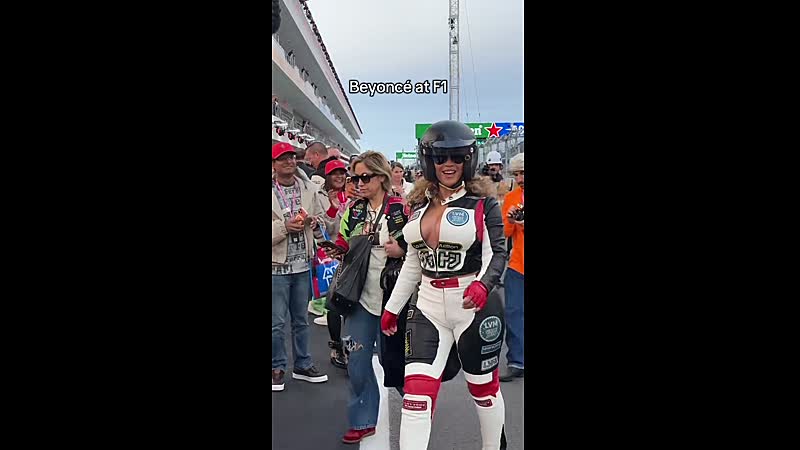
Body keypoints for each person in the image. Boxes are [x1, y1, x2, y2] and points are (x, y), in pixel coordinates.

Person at [381, 120, 508, 450]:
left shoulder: (484, 204)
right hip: (427, 306)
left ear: (469, 159)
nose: (448, 164)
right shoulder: (417, 206)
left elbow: (497, 253)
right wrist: (393, 308)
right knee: (416, 397)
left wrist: (483, 285)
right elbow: (413, 262)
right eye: (440, 157)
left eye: (457, 157)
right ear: (429, 161)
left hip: (473, 307)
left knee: (483, 390)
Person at [328, 151, 409, 444]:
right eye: (355, 178)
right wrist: (338, 249)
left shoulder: (401, 209)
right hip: (359, 297)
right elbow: (342, 239)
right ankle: (362, 419)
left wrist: (401, 248)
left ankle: (418, 408)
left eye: (365, 177)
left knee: (396, 362)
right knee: (357, 362)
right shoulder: (354, 210)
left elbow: (418, 245)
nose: (359, 183)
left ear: (381, 177)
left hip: (394, 298)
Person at [271, 142, 329, 392]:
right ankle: (277, 367)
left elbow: (322, 221)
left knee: (301, 321)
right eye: (283, 158)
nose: (289, 162)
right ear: (274, 164)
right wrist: (284, 227)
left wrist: (315, 224)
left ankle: (303, 364)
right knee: (276, 323)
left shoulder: (308, 189)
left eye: (292, 157)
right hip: (276, 267)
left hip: (302, 265)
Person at [311, 159, 350, 370]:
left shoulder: (353, 193)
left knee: (353, 303)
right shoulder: (319, 196)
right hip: (332, 255)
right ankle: (336, 346)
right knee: (334, 303)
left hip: (354, 255)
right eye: (335, 173)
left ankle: (352, 347)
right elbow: (323, 228)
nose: (339, 176)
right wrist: (334, 210)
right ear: (327, 176)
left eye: (342, 173)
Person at [500, 153, 524, 382]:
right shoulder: (511, 197)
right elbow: (505, 233)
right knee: (514, 313)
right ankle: (517, 361)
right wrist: (510, 220)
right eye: (516, 174)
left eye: (523, 173)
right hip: (517, 265)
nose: (519, 179)